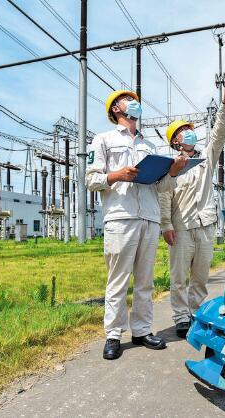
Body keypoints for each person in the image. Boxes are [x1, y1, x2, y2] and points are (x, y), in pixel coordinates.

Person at [86, 90, 188, 360]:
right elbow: (91, 179)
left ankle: (142, 331)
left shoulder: (150, 147)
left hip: (149, 218)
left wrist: (173, 172)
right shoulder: (103, 140)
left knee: (145, 280)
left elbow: (162, 186)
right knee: (118, 281)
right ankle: (113, 334)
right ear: (115, 110)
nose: (133, 103)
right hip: (121, 216)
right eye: (126, 99)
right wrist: (117, 175)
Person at [159, 75, 225, 338]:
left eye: (189, 129)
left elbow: (219, 134)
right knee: (179, 277)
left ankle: (197, 313)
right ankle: (181, 317)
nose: (190, 132)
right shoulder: (170, 167)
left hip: (205, 226)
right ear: (175, 141)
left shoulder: (206, 159)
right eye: (183, 131)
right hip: (181, 228)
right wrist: (166, 225)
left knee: (200, 277)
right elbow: (164, 196)